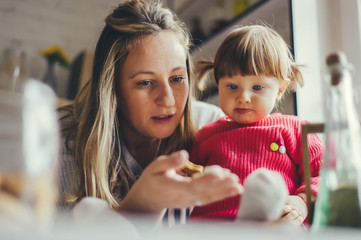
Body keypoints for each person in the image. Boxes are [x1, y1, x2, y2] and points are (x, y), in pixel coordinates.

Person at [56, 0, 242, 227]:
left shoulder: (214, 125)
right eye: (145, 82)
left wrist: (296, 201)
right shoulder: (62, 143)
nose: (168, 99)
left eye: (177, 79)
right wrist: (142, 205)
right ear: (111, 88)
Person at [189, 25, 324, 225]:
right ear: (218, 84)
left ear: (280, 89)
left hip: (275, 225)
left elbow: (325, 175)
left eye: (257, 87)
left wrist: (302, 201)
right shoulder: (204, 136)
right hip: (214, 230)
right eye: (232, 87)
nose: (243, 97)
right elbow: (187, 186)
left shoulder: (296, 130)